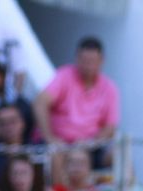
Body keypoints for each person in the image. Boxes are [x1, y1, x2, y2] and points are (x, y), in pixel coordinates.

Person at [33, 37, 120, 179]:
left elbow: (110, 127)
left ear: (101, 60)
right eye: (84, 60)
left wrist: (91, 143)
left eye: (92, 61)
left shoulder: (109, 87)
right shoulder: (64, 76)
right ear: (77, 58)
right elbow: (40, 103)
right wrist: (50, 137)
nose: (88, 66)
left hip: (90, 147)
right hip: (60, 144)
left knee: (120, 155)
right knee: (56, 154)